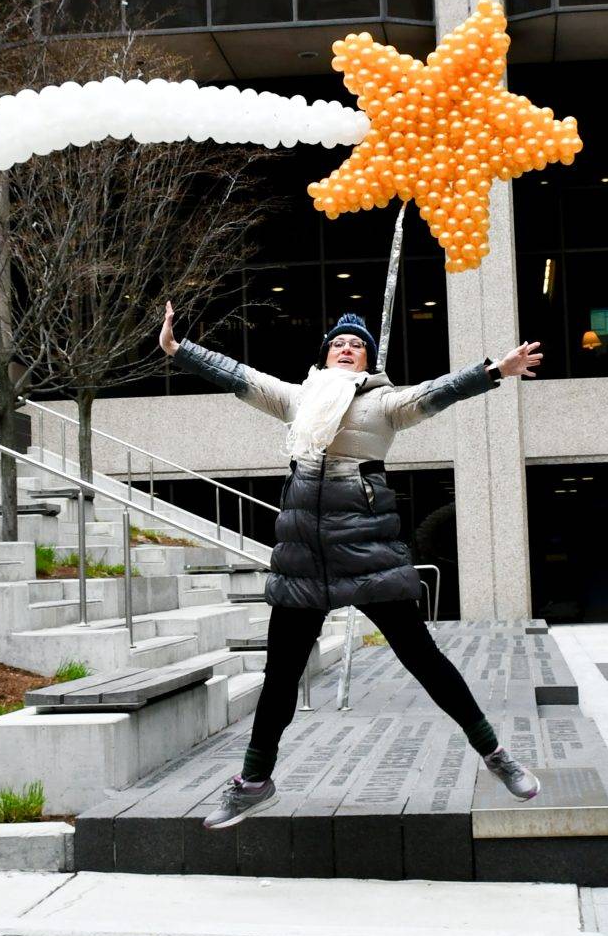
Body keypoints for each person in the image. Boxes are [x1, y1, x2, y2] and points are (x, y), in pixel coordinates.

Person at [159, 299, 543, 829]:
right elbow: (239, 375)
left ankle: (496, 755)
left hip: (368, 553)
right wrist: (179, 350)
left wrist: (495, 371)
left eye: (356, 345)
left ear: (367, 360)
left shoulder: (386, 403)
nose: (346, 348)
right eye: (338, 343)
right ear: (325, 355)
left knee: (423, 659)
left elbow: (438, 391)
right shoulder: (298, 399)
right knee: (280, 678)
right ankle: (253, 782)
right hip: (303, 560)